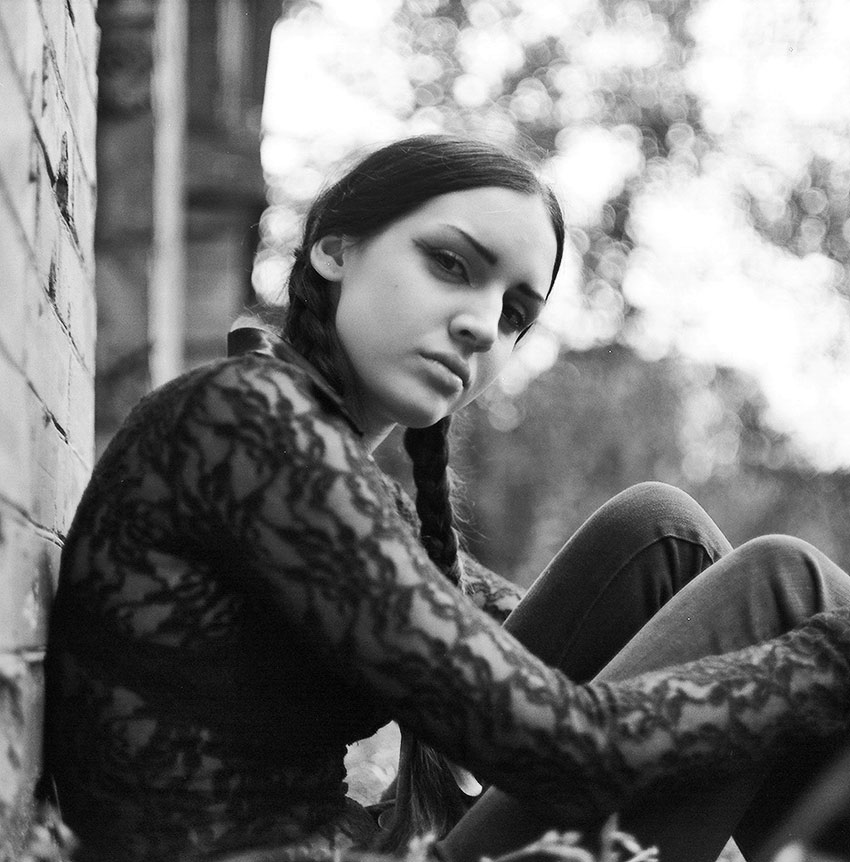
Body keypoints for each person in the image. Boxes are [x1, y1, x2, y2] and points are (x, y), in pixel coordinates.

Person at [41, 134, 850, 862]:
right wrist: (828, 655)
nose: (482, 326)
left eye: (515, 314)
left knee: (659, 532)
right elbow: (566, 750)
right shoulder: (246, 423)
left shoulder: (335, 479)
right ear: (334, 248)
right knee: (785, 587)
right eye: (451, 265)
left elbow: (506, 645)